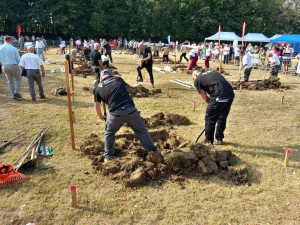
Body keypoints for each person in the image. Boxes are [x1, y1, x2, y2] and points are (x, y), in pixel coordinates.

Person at [94, 69, 158, 161]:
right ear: (110, 75)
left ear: (101, 78)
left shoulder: (97, 88)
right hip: (131, 110)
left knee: (109, 133)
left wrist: (101, 116)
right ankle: (153, 152)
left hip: (115, 114)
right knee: (141, 131)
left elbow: (97, 106)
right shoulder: (118, 79)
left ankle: (108, 156)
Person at [192, 70, 234, 145]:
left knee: (210, 118)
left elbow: (205, 98)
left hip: (219, 95)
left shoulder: (197, 80)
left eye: (193, 78)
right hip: (230, 94)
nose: (193, 80)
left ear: (195, 75)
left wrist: (212, 105)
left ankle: (208, 141)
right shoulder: (212, 72)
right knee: (222, 117)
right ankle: (219, 139)